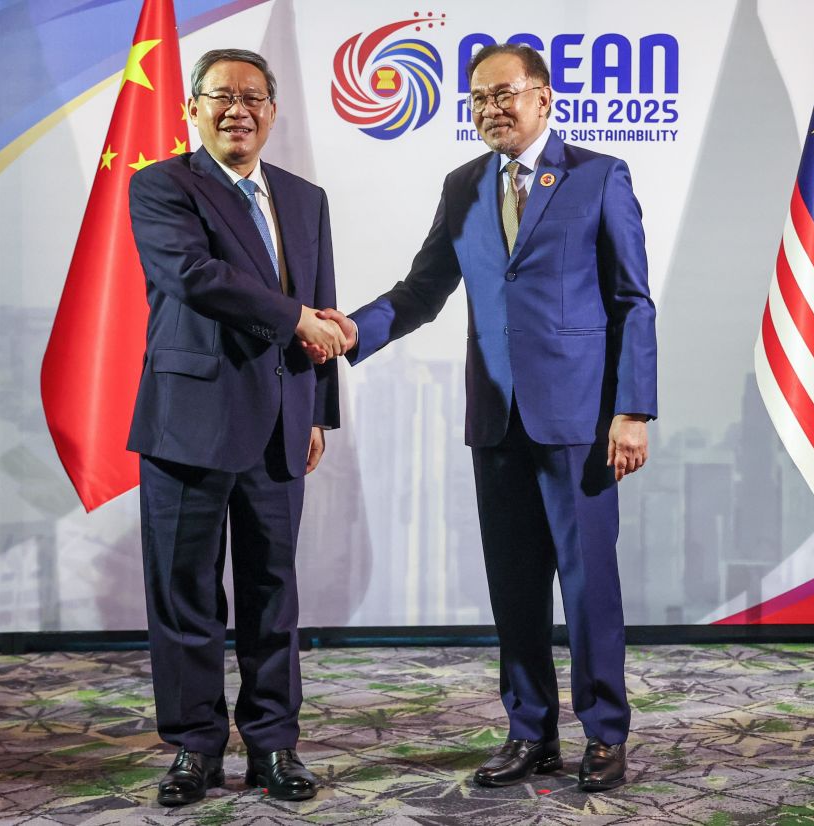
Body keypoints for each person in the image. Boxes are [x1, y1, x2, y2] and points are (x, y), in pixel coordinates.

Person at [313, 43, 657, 792]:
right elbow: (424, 288)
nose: (491, 109)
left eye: (504, 94)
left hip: (580, 423)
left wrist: (632, 410)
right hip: (496, 420)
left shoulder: (600, 176)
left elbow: (632, 300)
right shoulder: (463, 185)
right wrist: (353, 330)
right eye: (477, 99)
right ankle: (530, 732)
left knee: (589, 583)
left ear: (543, 97)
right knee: (514, 586)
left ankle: (605, 734)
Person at [127, 48, 347, 806]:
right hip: (188, 423)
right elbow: (194, 277)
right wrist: (293, 319)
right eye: (220, 96)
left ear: (272, 112)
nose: (237, 110)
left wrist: (318, 409)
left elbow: (322, 298)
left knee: (272, 594)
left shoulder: (305, 197)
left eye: (253, 98)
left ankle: (273, 745)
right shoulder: (161, 185)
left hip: (282, 425)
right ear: (192, 108)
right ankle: (193, 749)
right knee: (185, 594)